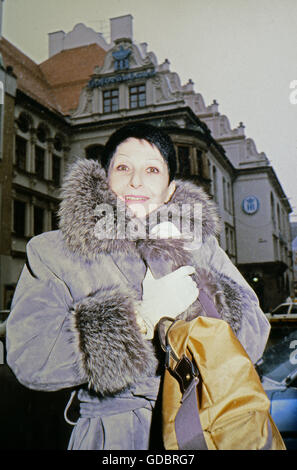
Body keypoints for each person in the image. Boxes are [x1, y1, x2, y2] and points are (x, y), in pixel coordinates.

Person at [6, 123, 270, 450]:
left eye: (152, 169)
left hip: (200, 427)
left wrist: (200, 303)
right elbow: (29, 356)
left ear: (170, 189)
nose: (136, 180)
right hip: (109, 436)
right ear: (104, 178)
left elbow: (256, 333)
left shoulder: (201, 245)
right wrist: (141, 321)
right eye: (123, 167)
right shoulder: (55, 251)